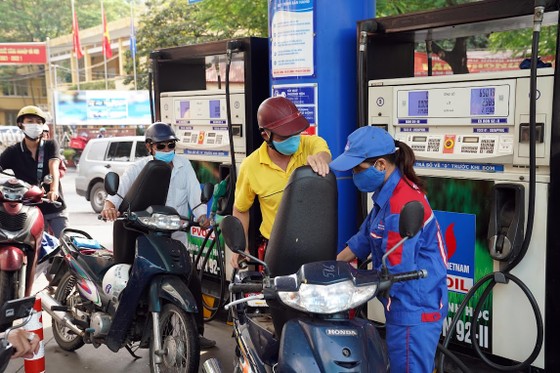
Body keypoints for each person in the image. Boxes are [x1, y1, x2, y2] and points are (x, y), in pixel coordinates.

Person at [330, 126, 448, 373]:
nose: (353, 174)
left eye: (357, 168)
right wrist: (328, 268)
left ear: (381, 165)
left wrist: (351, 286)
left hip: (414, 309)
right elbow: (363, 239)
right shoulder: (386, 194)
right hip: (404, 303)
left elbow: (396, 271)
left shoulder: (401, 202)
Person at [100, 122, 215, 349]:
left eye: (170, 145)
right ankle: (124, 325)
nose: (166, 149)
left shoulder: (184, 166)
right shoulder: (139, 168)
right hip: (144, 236)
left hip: (174, 236)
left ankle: (195, 333)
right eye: (161, 145)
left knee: (191, 280)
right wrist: (108, 206)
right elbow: (115, 196)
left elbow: (196, 197)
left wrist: (203, 216)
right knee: (133, 281)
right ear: (149, 147)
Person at [230, 96, 332, 268]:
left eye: (296, 133)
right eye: (286, 136)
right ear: (266, 135)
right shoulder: (251, 165)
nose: (294, 139)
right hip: (276, 247)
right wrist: (240, 248)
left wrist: (320, 160)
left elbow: (323, 153)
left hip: (315, 246)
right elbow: (240, 209)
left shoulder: (310, 144)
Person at [0, 105, 68, 238]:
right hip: (27, 210)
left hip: (53, 206)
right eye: (30, 121)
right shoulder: (13, 151)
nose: (34, 125)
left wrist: (53, 190)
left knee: (64, 246)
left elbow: (54, 167)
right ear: (21, 124)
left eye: (38, 122)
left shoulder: (50, 145)